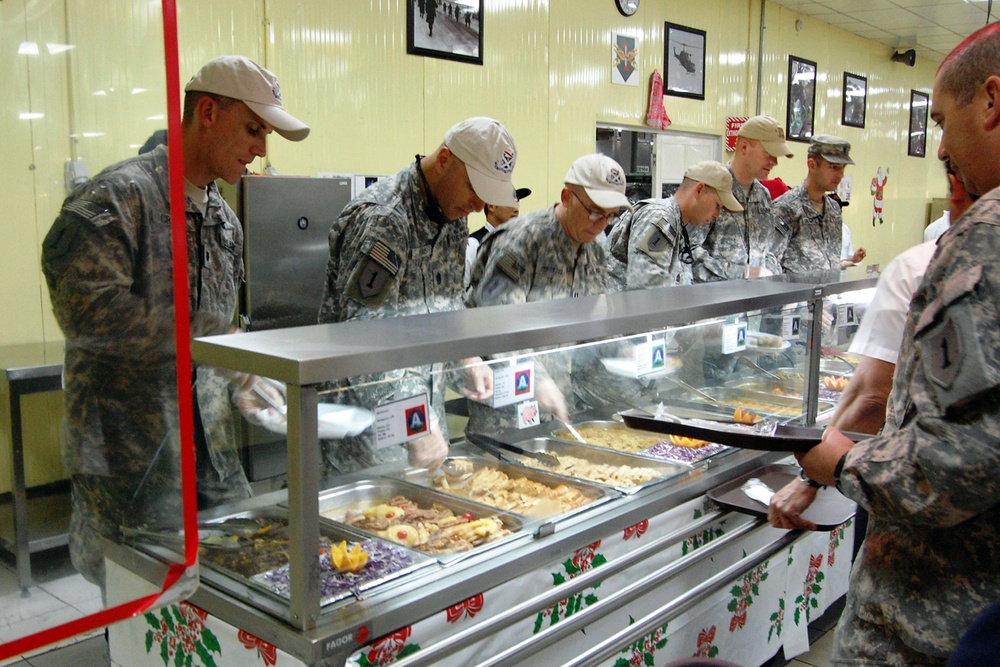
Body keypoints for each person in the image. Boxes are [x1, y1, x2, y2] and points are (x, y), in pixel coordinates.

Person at [40, 55, 309, 593]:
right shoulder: (119, 197)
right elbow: (86, 311)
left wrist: (241, 383)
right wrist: (208, 336)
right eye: (253, 128)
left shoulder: (224, 221)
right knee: (137, 606)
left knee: (224, 603)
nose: (261, 148)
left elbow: (214, 340)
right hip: (132, 462)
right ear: (207, 112)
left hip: (210, 457)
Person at [795, 23, 1000, 664]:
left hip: (936, 620)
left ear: (991, 100)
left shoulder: (984, 237)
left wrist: (835, 462)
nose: (942, 146)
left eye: (941, 121)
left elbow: (956, 463)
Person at [769, 162, 978, 530]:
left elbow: (873, 398)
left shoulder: (919, 267)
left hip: (914, 499)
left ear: (955, 187)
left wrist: (812, 477)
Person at [318, 116, 514, 473]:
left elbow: (447, 306)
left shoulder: (452, 217)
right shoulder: (384, 219)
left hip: (425, 424)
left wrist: (465, 357)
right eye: (475, 189)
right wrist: (415, 423)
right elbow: (362, 337)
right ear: (444, 161)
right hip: (369, 435)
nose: (477, 204)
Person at [465, 153, 630, 434]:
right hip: (506, 407)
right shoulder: (521, 242)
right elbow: (499, 326)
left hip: (556, 401)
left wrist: (624, 348)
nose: (601, 224)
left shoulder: (593, 252)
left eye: (610, 216)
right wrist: (539, 379)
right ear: (567, 197)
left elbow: (590, 320)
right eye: (594, 212)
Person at [605, 161, 743, 291]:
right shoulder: (661, 219)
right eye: (717, 205)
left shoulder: (677, 224)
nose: (717, 215)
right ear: (699, 189)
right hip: (617, 312)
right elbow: (645, 287)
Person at [687, 115, 793, 281]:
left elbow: (769, 250)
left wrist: (771, 274)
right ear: (744, 147)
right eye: (769, 154)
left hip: (757, 302)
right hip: (719, 300)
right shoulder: (712, 189)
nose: (774, 162)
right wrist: (742, 273)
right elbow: (688, 252)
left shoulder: (763, 195)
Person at [773, 135, 857, 273]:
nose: (840, 174)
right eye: (834, 167)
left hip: (828, 292)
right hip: (796, 293)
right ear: (812, 165)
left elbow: (833, 261)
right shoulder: (786, 208)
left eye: (843, 168)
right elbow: (770, 265)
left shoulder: (833, 209)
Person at [463, 186, 531, 289]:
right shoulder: (474, 244)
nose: (516, 209)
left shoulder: (521, 244)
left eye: (517, 203)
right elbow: (460, 291)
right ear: (491, 206)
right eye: (510, 202)